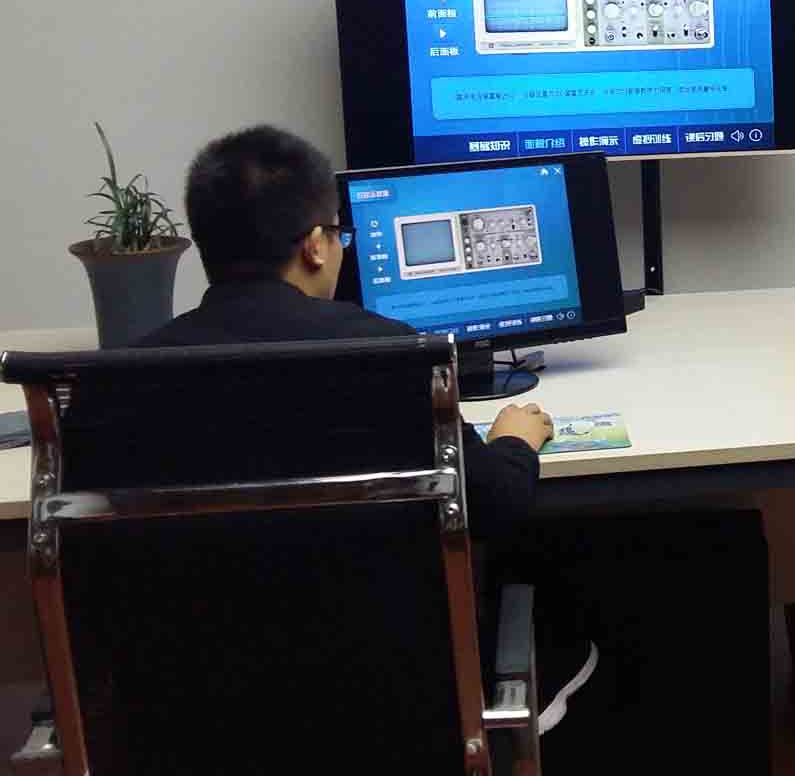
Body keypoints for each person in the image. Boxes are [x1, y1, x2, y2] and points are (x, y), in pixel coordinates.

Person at [135, 125, 553, 541]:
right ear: (316, 246)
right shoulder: (393, 355)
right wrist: (514, 441)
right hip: (380, 586)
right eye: (340, 235)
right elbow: (494, 502)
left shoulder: (132, 374)